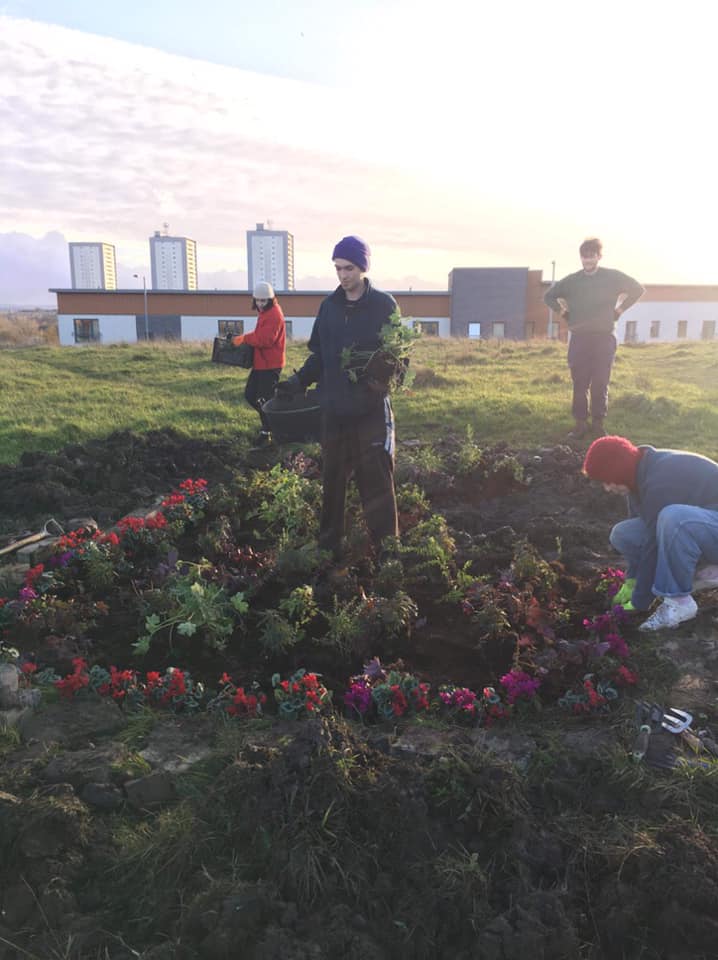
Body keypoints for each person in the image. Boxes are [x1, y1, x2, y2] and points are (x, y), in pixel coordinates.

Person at [276, 235, 399, 559]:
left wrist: (381, 378)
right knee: (332, 480)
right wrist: (298, 381)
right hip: (334, 408)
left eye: (349, 268)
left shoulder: (384, 305)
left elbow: (396, 355)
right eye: (338, 268)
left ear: (363, 267)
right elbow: (320, 355)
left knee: (376, 480)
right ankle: (329, 550)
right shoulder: (329, 307)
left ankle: (387, 552)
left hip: (370, 409)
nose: (343, 275)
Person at [582, 435, 718, 630]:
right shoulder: (638, 476)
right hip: (707, 527)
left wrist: (640, 601)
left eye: (608, 481)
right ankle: (702, 571)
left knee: (674, 518)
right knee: (623, 534)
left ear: (619, 471)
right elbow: (645, 533)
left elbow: (653, 543)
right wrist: (632, 580)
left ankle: (679, 602)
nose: (607, 489)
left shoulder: (660, 480)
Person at [544, 238, 644, 440]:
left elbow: (637, 289)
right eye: (584, 256)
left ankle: (598, 424)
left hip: (604, 338)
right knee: (579, 383)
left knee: (600, 382)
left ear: (599, 256)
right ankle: (580, 424)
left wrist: (620, 310)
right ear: (580, 257)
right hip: (579, 339)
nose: (587, 260)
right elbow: (549, 296)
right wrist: (563, 312)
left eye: (591, 256)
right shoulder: (572, 281)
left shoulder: (612, 277)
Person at [231, 281, 286, 445]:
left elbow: (265, 340)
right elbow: (260, 335)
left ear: (270, 299)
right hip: (262, 363)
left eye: (263, 300)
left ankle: (270, 431)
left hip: (270, 365)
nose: (260, 304)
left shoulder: (274, 314)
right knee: (251, 395)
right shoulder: (265, 312)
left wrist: (244, 338)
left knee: (264, 400)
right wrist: (246, 338)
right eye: (258, 300)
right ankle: (272, 426)